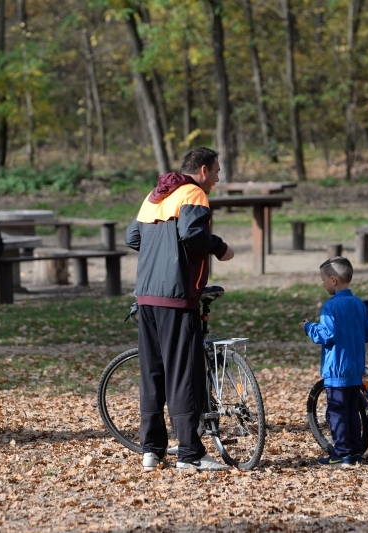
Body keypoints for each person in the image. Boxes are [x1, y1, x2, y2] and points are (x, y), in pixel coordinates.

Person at [125, 147, 235, 472]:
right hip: (176, 296)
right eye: (216, 171)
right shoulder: (193, 194)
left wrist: (159, 253)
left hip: (146, 296)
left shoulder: (155, 196)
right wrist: (220, 247)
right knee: (183, 373)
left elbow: (133, 238)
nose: (217, 178)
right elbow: (191, 234)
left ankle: (152, 450)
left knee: (153, 373)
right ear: (202, 169)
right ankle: (190, 454)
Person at [299, 256, 368, 468]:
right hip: (355, 368)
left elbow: (326, 335)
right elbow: (367, 332)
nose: (322, 283)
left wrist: (308, 327)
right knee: (353, 412)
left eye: (323, 279)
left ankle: (342, 454)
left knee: (337, 412)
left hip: (336, 370)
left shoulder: (330, 307)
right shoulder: (359, 305)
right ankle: (355, 452)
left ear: (333, 280)